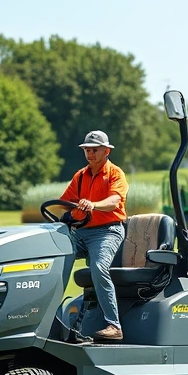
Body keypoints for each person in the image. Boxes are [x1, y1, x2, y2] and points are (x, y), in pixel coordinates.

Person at [60, 130, 129, 342]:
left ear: (106, 151)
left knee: (99, 267)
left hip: (107, 231)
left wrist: (93, 205)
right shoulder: (80, 176)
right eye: (87, 150)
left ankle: (114, 325)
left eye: (94, 150)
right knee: (51, 255)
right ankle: (45, 315)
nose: (90, 154)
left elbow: (113, 202)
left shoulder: (115, 174)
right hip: (80, 232)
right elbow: (63, 203)